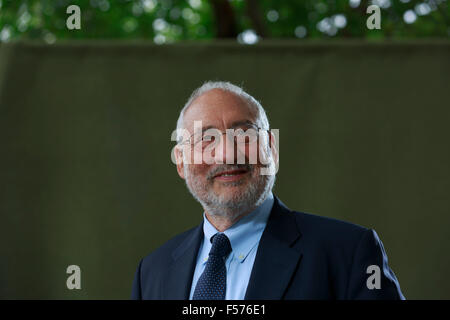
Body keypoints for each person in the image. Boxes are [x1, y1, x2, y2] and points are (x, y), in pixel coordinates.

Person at [131, 81, 405, 300]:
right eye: (206, 139)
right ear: (181, 162)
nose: (228, 153)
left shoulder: (349, 252)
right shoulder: (152, 272)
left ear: (271, 148)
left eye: (245, 134)